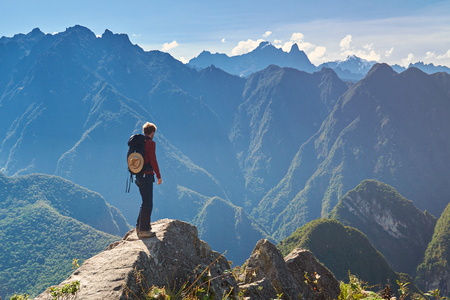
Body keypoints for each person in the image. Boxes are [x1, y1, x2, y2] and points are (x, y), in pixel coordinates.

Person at [135, 122, 162, 238]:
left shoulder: (139, 143)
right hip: (147, 176)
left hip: (138, 176)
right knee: (148, 203)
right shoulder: (151, 143)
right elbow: (153, 160)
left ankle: (139, 226)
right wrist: (158, 176)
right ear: (152, 132)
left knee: (144, 202)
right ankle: (144, 230)